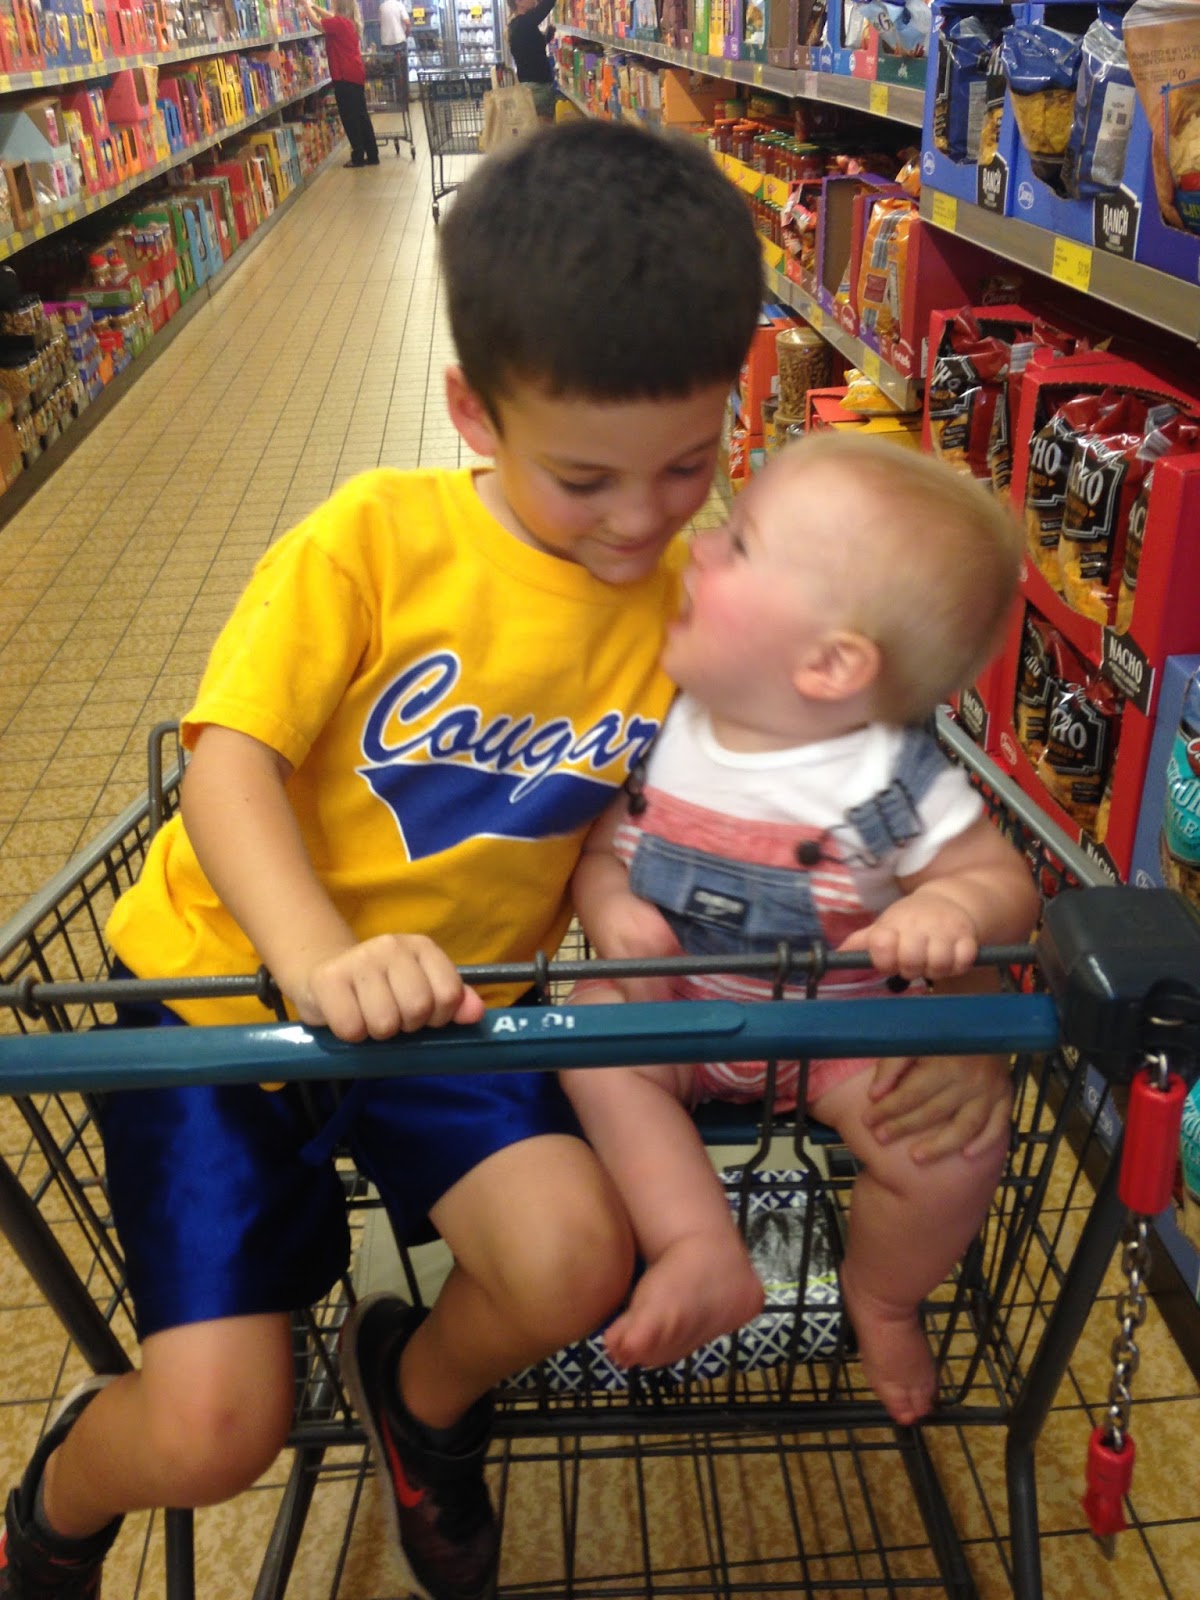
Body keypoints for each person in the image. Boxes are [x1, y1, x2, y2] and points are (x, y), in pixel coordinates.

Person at [0, 122, 765, 1600]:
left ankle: (417, 1396)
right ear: (474, 410)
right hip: (223, 998)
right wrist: (319, 958)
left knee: (572, 1259)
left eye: (688, 463)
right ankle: (56, 1505)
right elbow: (229, 765)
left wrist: (624, 892)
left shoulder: (692, 594)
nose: (640, 518)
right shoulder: (369, 544)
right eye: (586, 477)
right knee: (216, 1431)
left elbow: (623, 791)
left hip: (453, 1006)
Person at [561, 432, 1041, 1428]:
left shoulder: (883, 779)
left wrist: (949, 909)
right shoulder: (661, 724)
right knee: (592, 1038)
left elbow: (998, 879)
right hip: (679, 1005)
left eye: (738, 543)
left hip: (840, 1033)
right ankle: (700, 1245)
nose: (697, 547)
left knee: (951, 1152)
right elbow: (603, 847)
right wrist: (610, 905)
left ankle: (883, 1296)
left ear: (828, 662)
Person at [299, 0, 380, 168]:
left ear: (339, 6)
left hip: (344, 76)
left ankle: (358, 156)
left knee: (350, 117)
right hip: (355, 74)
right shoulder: (348, 22)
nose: (331, 4)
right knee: (361, 115)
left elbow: (317, 24)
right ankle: (372, 154)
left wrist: (306, 6)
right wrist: (313, 5)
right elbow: (329, 17)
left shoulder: (339, 23)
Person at [507, 0, 557, 119]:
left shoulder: (517, 24)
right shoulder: (524, 22)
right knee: (544, 127)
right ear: (518, 2)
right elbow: (546, 5)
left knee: (538, 128)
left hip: (530, 86)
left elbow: (530, 50)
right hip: (537, 89)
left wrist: (547, 37)